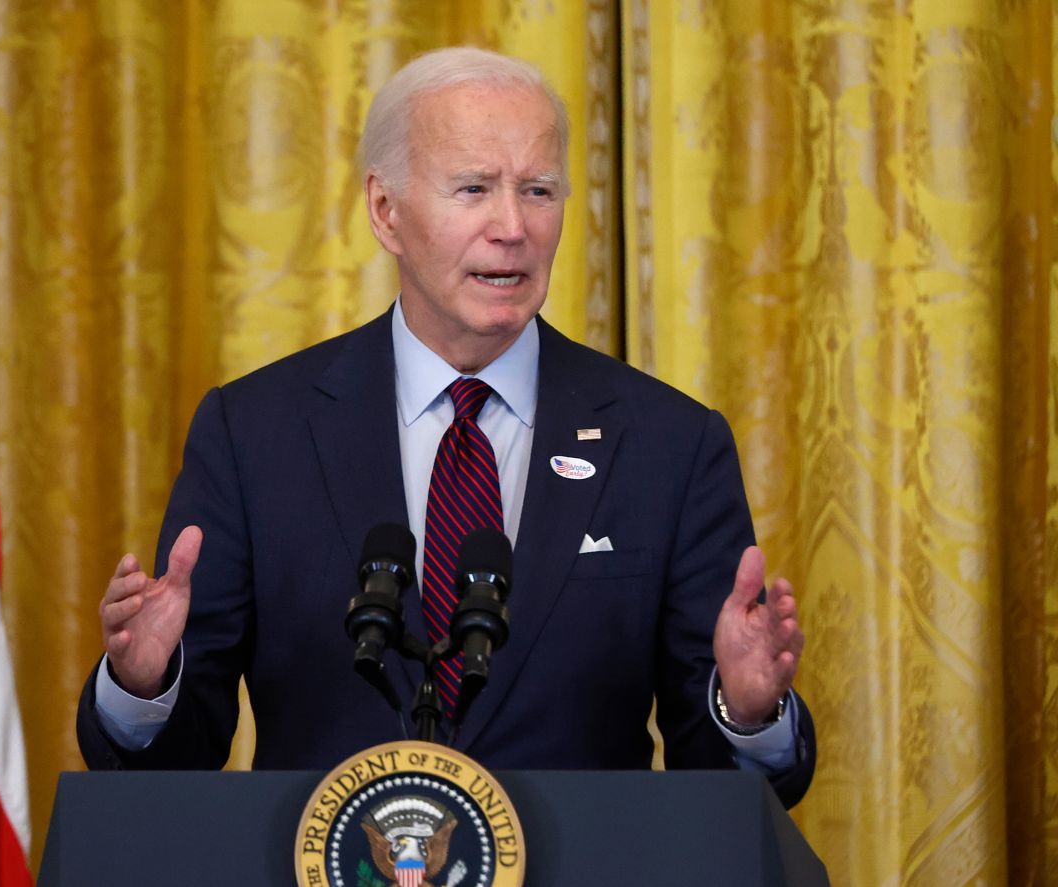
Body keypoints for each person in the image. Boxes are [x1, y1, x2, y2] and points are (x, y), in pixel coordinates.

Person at [76, 46, 815, 808]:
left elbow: (726, 791)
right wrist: (144, 685)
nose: (512, 226)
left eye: (539, 189)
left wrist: (747, 710)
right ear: (385, 210)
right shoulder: (255, 432)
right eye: (473, 188)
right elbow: (175, 761)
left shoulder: (670, 445)